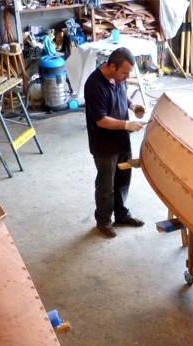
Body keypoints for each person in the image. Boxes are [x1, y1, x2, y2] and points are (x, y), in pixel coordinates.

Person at [84, 47, 147, 238]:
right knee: (106, 185)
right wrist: (128, 124)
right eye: (124, 73)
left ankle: (122, 214)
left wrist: (132, 105)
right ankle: (103, 221)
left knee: (123, 180)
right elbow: (101, 120)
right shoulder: (94, 85)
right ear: (112, 66)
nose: (126, 77)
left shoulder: (119, 78)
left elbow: (123, 91)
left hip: (121, 139)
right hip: (104, 145)